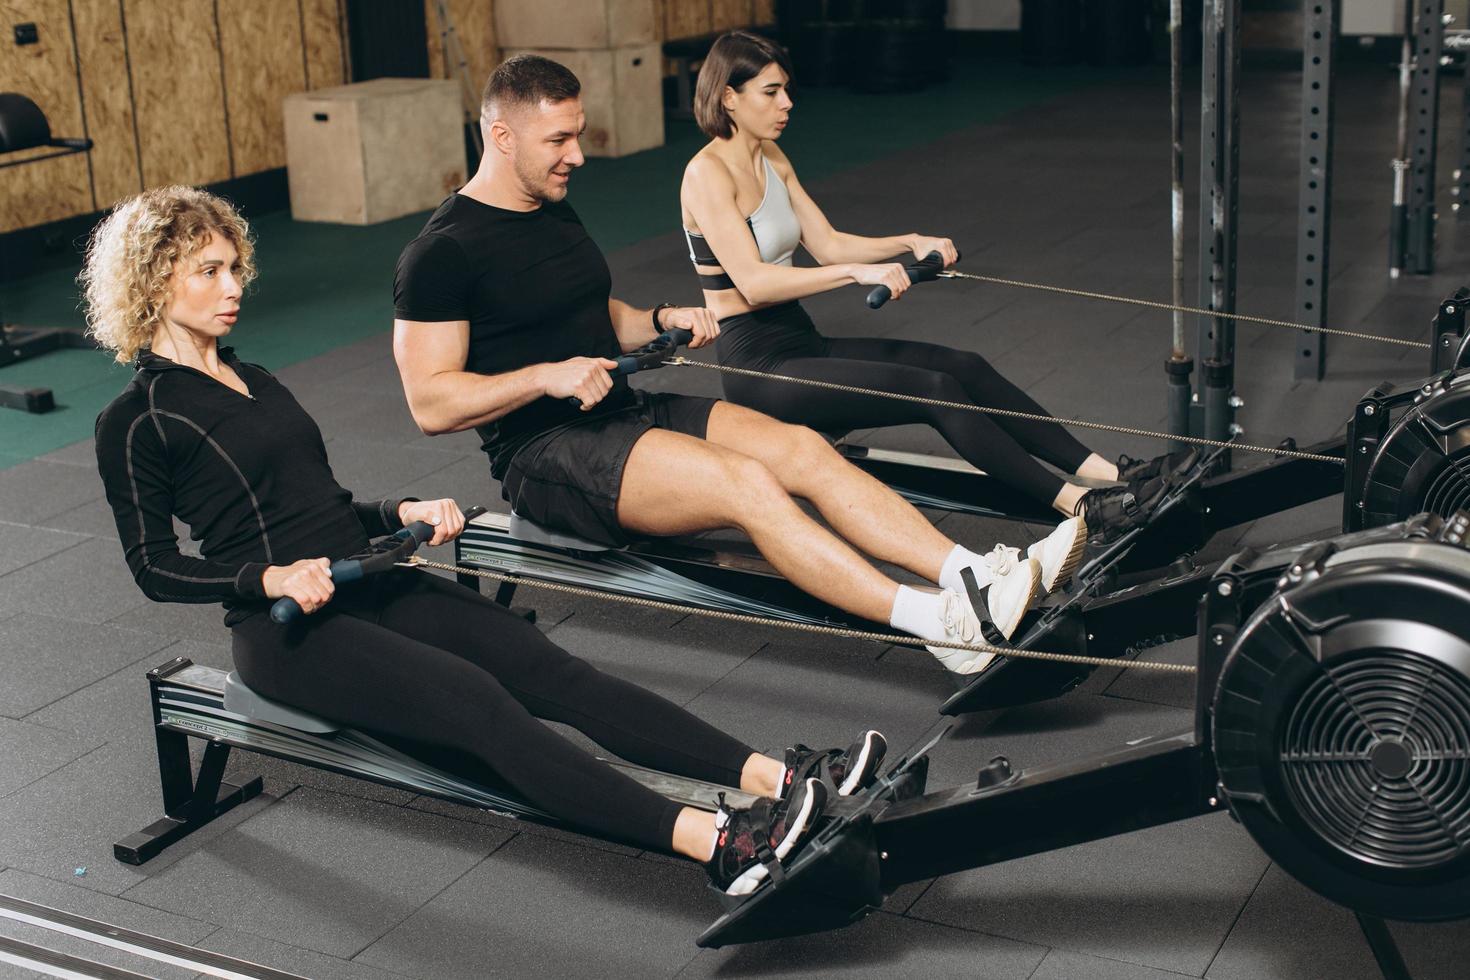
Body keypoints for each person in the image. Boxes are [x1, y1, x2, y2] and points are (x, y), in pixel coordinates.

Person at [87, 185, 886, 897]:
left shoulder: (255, 377)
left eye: (234, 267)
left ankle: (779, 779)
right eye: (209, 272)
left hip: (371, 579)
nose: (234, 287)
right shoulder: (136, 420)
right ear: (156, 283)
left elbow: (320, 505)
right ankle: (719, 842)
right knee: (483, 707)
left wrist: (400, 508)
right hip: (287, 632)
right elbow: (154, 567)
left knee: (557, 673)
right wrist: (270, 581)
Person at [393, 55, 1087, 675]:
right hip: (546, 453)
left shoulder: (552, 208)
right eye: (559, 140)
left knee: (802, 450)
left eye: (577, 134)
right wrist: (546, 376)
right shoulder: (442, 253)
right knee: (749, 485)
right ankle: (938, 624)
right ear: (502, 136)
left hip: (622, 409)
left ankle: (971, 574)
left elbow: (597, 315)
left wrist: (662, 318)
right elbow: (430, 403)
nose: (577, 154)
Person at [678, 31, 1196, 555]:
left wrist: (908, 241)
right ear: (728, 97)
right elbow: (755, 283)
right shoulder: (706, 174)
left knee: (961, 365)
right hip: (758, 365)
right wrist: (860, 274)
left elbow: (828, 244)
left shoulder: (771, 157)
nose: (787, 102)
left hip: (800, 341)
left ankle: (1112, 473)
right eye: (770, 92)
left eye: (786, 89)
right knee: (931, 389)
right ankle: (1076, 504)